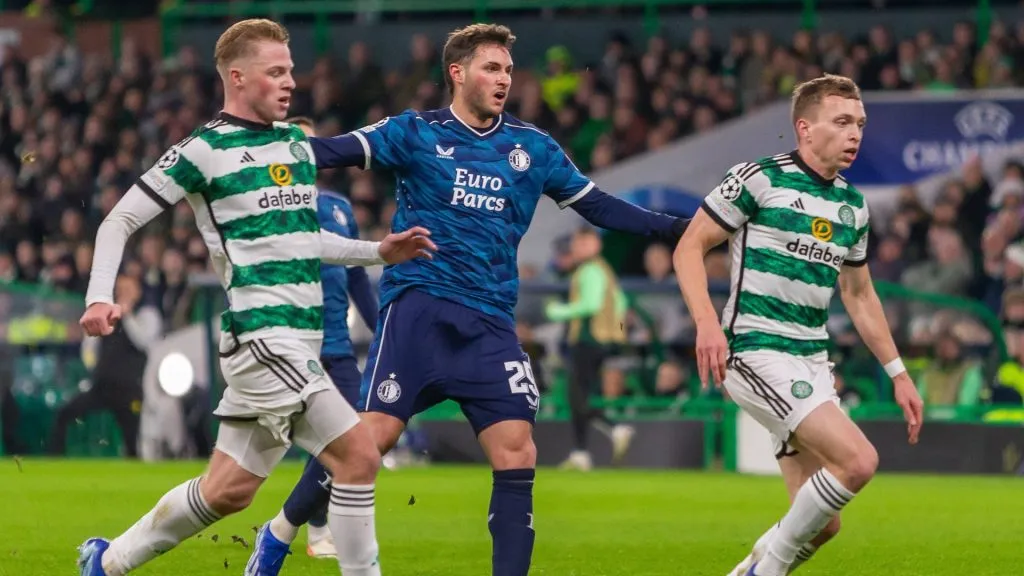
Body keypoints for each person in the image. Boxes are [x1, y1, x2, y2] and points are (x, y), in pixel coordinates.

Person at [249, 23, 688, 576]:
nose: (504, 79)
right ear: (457, 73)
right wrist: (249, 150)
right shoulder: (415, 132)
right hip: (419, 311)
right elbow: (333, 151)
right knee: (369, 443)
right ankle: (280, 532)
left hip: (489, 322)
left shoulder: (533, 148)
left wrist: (678, 228)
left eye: (507, 69)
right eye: (491, 67)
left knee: (517, 452)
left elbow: (599, 206)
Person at [75, 19, 435, 576]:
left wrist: (376, 252)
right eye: (276, 72)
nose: (291, 81)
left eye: (290, 70)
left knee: (229, 491)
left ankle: (107, 561)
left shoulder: (292, 142)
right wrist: (100, 297)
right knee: (360, 454)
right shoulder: (203, 150)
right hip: (262, 337)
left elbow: (302, 238)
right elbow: (118, 220)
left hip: (298, 341)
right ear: (237, 78)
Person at [673, 74, 924, 576]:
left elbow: (859, 294)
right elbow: (689, 247)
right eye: (842, 122)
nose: (855, 133)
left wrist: (898, 372)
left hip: (810, 359)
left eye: (860, 123)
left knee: (821, 522)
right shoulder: (759, 179)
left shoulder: (853, 206)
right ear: (805, 129)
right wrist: (706, 324)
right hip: (753, 349)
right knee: (858, 461)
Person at [249, 115, 381, 563]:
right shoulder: (268, 206)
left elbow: (359, 282)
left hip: (338, 348)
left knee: (350, 440)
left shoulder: (340, 207)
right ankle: (306, 524)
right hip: (290, 346)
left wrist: (383, 332)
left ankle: (297, 527)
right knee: (237, 474)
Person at [544, 225, 634, 471]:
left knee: (577, 396)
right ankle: (581, 452)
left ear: (596, 244)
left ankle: (614, 428)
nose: (580, 247)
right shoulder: (603, 269)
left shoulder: (590, 269)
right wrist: (617, 329)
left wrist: (557, 311)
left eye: (585, 243)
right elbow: (621, 301)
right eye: (578, 243)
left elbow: (591, 305)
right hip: (600, 339)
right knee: (579, 396)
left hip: (588, 339)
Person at [50, 273, 161, 458]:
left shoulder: (147, 314)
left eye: (127, 290)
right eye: (120, 290)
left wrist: (128, 315)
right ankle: (53, 460)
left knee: (132, 437)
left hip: (131, 389)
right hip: (103, 386)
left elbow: (144, 342)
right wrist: (92, 366)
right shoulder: (108, 315)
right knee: (65, 414)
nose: (122, 294)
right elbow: (90, 346)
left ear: (138, 291)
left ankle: (135, 469)